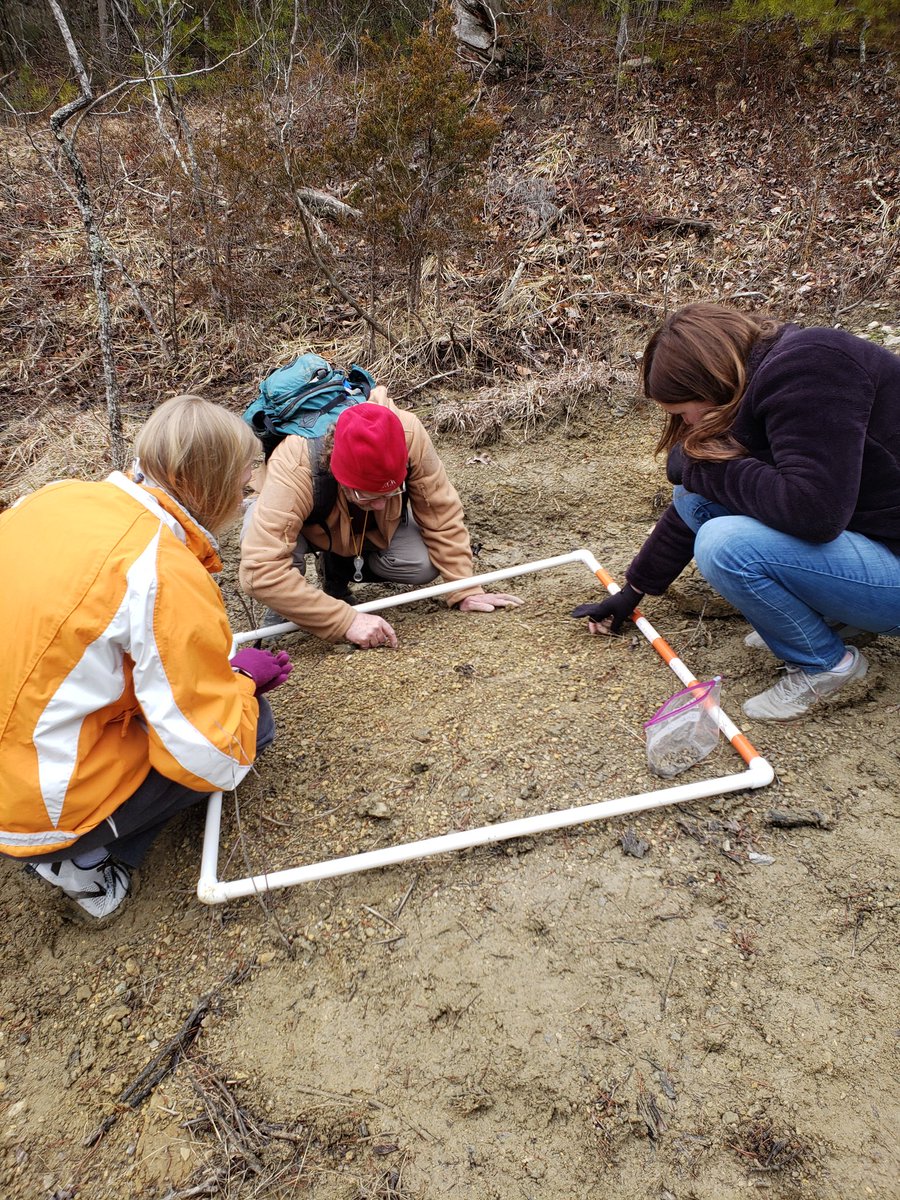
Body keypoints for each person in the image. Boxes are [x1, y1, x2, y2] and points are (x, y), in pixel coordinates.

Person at [0, 396, 293, 922]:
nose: (246, 497)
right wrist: (242, 684)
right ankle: (77, 858)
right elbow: (210, 753)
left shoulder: (55, 496)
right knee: (254, 729)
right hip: (32, 797)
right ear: (212, 487)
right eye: (243, 486)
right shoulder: (161, 568)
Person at [572, 303, 900, 721]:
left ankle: (827, 666)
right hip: (880, 542)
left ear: (713, 380)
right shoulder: (767, 378)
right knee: (698, 501)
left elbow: (815, 514)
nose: (685, 423)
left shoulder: (813, 368)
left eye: (683, 410)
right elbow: (698, 501)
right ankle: (831, 620)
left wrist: (699, 465)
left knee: (726, 546)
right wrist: (632, 591)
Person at [239, 389, 522, 649]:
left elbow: (440, 511)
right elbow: (260, 571)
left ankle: (338, 567)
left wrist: (465, 588)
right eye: (367, 496)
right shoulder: (295, 464)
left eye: (388, 493)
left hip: (362, 528)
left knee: (421, 565)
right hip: (304, 523)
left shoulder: (409, 433)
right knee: (263, 540)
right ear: (337, 474)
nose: (377, 505)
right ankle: (286, 606)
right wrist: (344, 620)